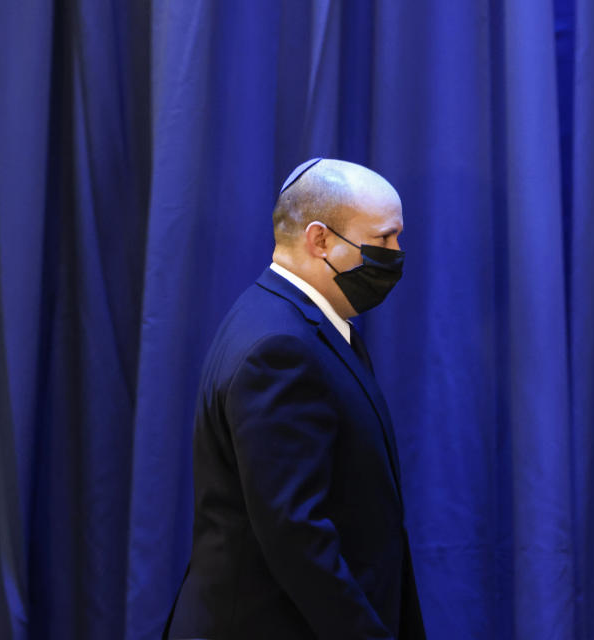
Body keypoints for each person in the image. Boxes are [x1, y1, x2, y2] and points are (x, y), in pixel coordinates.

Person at [165, 158, 426, 640]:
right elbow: (297, 537)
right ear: (320, 239)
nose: (396, 253)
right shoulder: (280, 348)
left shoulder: (296, 321)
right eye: (385, 238)